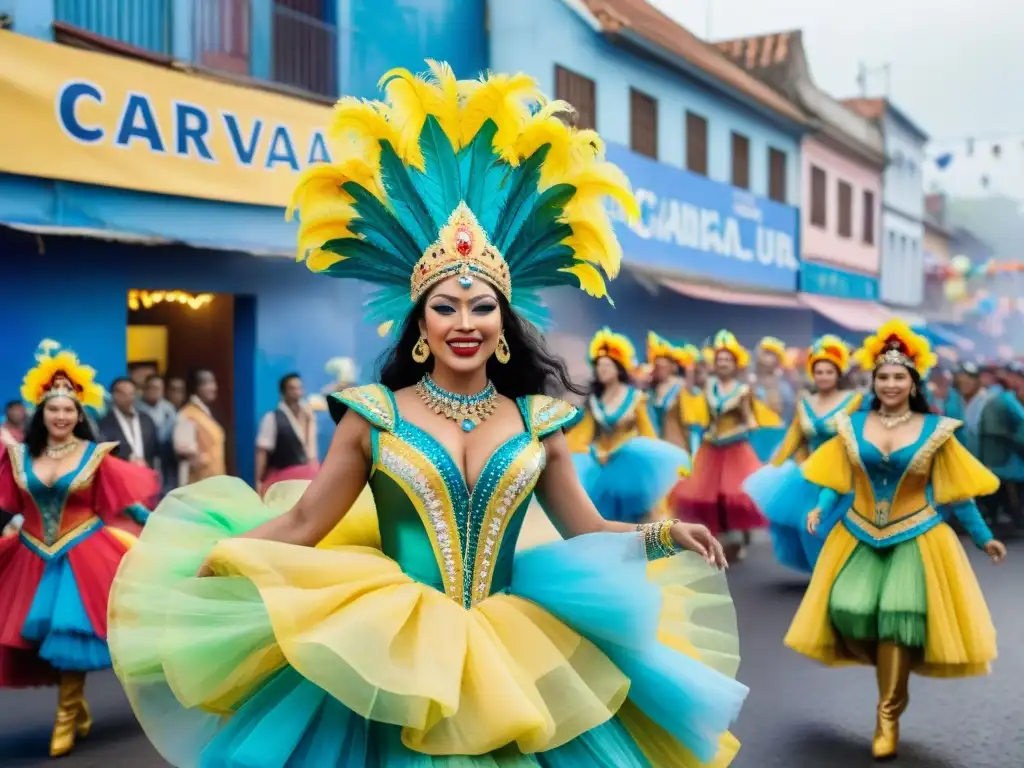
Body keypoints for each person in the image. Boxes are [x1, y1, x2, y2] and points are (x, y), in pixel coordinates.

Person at [107, 63, 748, 768]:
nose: (464, 322)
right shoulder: (373, 416)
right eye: (446, 307)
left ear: (504, 324)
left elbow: (587, 531)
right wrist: (213, 562)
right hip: (392, 657)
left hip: (518, 650)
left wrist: (663, 534)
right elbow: (302, 523)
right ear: (421, 325)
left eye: (482, 308)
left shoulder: (539, 422)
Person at [784, 320, 1006, 760]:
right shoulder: (853, 424)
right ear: (873, 381)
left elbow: (956, 494)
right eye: (882, 376)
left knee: (897, 622)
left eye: (899, 376)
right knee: (848, 608)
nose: (889, 383)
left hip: (916, 535)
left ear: (913, 381)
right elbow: (840, 476)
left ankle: (888, 715)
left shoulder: (936, 429)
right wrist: (819, 507)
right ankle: (888, 667)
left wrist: (984, 538)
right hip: (860, 531)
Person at [0, 341, 155, 757]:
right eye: (54, 408)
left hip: (84, 553)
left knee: (69, 635)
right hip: (30, 554)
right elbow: (6, 505)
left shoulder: (95, 455)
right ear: (41, 412)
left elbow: (129, 504)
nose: (62, 416)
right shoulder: (19, 457)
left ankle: (66, 718)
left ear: (79, 413)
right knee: (42, 641)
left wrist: (162, 526)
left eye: (70, 409)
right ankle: (79, 708)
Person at [744, 336, 864, 574]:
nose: (823, 376)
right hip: (811, 475)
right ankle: (823, 575)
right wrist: (773, 467)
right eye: (818, 371)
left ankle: (846, 573)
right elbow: (793, 439)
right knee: (809, 526)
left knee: (843, 527)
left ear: (838, 373)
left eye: (829, 371)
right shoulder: (805, 403)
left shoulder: (855, 401)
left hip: (845, 476)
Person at [669, 330, 781, 563]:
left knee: (736, 494)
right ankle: (721, 539)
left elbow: (750, 422)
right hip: (711, 448)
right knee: (710, 496)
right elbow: (699, 414)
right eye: (719, 360)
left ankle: (740, 535)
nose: (723, 364)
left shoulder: (742, 391)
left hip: (735, 449)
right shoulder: (708, 388)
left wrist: (735, 431)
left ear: (735, 364)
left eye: (727, 360)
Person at [566, 328, 692, 523]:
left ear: (618, 368)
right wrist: (588, 451)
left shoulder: (635, 398)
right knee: (604, 520)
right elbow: (583, 434)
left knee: (640, 519)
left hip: (630, 463)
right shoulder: (595, 401)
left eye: (607, 365)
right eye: (599, 366)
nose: (602, 370)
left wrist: (653, 463)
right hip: (603, 465)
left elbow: (648, 432)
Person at [255, 372, 319, 495]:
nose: (297, 393)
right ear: (283, 393)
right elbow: (262, 452)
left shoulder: (308, 416)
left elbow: (310, 452)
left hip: (305, 479)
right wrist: (258, 480)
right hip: (282, 478)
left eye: (300, 388)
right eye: (292, 389)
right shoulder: (272, 418)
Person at [173, 368, 225, 485]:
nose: (213, 388)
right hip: (198, 484)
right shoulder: (188, 414)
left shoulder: (203, 412)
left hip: (213, 481)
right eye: (207, 383)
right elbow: (183, 448)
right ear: (196, 387)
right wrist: (202, 459)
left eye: (213, 382)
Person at [99, 377, 160, 469]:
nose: (129, 398)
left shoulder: (146, 419)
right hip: (120, 474)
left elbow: (154, 449)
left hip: (147, 473)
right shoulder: (105, 423)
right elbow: (106, 451)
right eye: (125, 394)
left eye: (132, 394)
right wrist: (127, 458)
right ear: (115, 395)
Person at [136, 373, 180, 494]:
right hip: (145, 454)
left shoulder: (168, 408)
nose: (156, 392)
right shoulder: (136, 407)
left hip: (166, 456)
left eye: (159, 388)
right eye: (153, 388)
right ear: (145, 389)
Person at [644, 331, 685, 436]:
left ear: (672, 367)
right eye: (657, 366)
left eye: (662, 366)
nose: (659, 369)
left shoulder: (682, 388)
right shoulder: (650, 393)